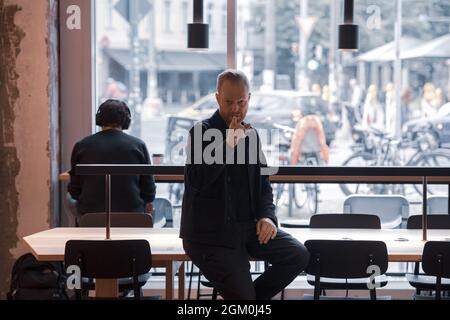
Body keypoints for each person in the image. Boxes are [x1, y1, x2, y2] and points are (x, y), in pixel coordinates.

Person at [180, 70, 310, 300]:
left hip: (247, 229)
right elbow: (197, 181)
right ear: (218, 98)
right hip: (211, 237)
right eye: (229, 102)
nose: (236, 109)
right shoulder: (201, 132)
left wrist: (267, 217)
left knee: (298, 255)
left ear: (249, 98)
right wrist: (228, 144)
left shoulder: (251, 135)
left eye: (241, 102)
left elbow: (263, 183)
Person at [68, 99, 156, 224]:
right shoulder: (138, 145)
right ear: (127, 120)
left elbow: (74, 190)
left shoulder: (82, 145)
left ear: (99, 119)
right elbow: (149, 191)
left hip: (90, 217)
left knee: (70, 200)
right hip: (132, 217)